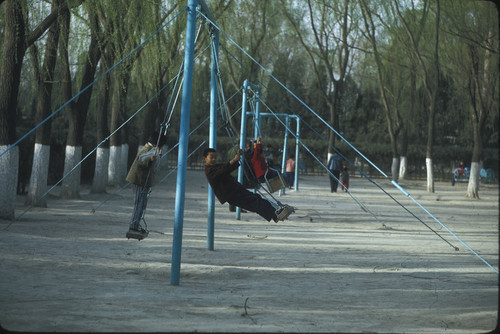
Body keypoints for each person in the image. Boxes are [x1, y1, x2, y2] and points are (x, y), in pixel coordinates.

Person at [203, 147, 293, 223]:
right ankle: (275, 215)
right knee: (254, 202)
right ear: (205, 159)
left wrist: (237, 158)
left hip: (236, 189)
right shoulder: (209, 171)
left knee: (257, 198)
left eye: (215, 157)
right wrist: (233, 160)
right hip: (231, 195)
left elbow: (228, 168)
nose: (214, 159)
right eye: (211, 157)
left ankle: (276, 212)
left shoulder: (216, 166)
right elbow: (222, 170)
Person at [125, 130, 167, 240]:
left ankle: (136, 224)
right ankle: (133, 226)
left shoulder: (151, 149)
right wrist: (150, 158)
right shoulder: (146, 149)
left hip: (144, 181)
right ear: (156, 144)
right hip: (139, 181)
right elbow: (141, 159)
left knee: (142, 204)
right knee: (139, 203)